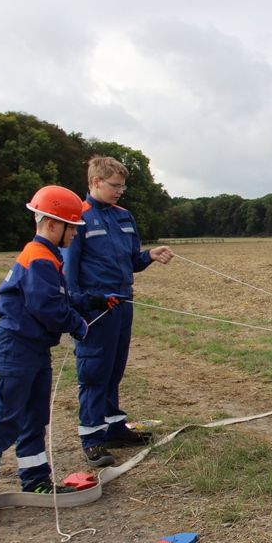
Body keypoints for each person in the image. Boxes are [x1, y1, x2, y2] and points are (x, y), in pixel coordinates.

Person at [0, 186, 119, 529]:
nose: (75, 234)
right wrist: (79, 325)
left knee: (34, 418)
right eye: (73, 227)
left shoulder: (46, 256)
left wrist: (94, 300)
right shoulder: (39, 257)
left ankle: (35, 480)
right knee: (4, 420)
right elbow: (47, 307)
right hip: (15, 351)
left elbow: (61, 297)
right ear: (54, 224)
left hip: (34, 351)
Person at [65, 156, 175, 468]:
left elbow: (132, 261)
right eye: (114, 185)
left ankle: (114, 429)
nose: (119, 191)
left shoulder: (124, 216)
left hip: (123, 304)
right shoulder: (77, 218)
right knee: (94, 372)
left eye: (122, 187)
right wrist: (81, 308)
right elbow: (69, 276)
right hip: (96, 309)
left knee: (114, 369)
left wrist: (150, 255)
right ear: (95, 182)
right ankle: (92, 439)